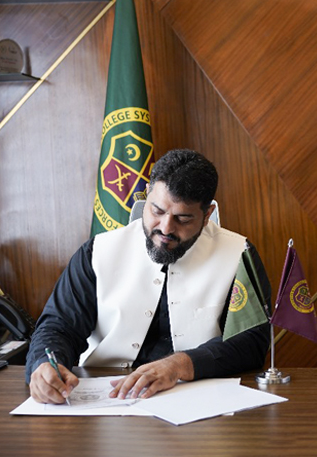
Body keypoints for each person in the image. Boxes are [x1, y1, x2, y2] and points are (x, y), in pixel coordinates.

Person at [26, 149, 271, 404]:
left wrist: (181, 364)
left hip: (200, 402)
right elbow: (59, 325)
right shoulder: (97, 251)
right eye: (157, 211)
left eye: (183, 219)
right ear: (148, 192)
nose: (166, 228)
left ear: (207, 214)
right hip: (104, 402)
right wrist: (44, 365)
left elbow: (251, 342)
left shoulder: (239, 256)